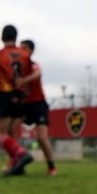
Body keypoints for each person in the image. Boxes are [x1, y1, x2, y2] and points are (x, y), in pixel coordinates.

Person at [0, 25, 34, 177]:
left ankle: (21, 154)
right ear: (16, 38)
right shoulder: (25, 55)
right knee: (11, 133)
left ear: (2, 38)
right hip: (21, 96)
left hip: (6, 95)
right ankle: (17, 166)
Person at [17, 39, 56, 176]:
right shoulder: (16, 68)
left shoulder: (34, 65)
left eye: (24, 48)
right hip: (23, 105)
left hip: (38, 105)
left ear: (31, 51)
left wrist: (23, 81)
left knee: (41, 137)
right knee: (10, 131)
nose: (21, 51)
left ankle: (51, 167)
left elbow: (37, 73)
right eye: (20, 48)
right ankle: (17, 162)